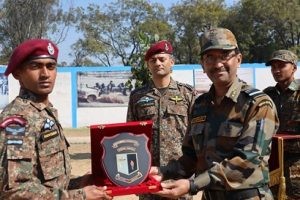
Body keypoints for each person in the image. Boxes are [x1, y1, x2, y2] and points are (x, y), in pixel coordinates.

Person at [150, 28, 279, 200]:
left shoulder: (258, 103)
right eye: (210, 58)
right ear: (203, 65)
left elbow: (247, 159)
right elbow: (191, 157)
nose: (217, 64)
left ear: (238, 59)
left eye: (224, 55)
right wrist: (162, 172)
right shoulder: (200, 105)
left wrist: (193, 184)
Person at [0, 39, 112, 200]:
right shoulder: (18, 120)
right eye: (35, 66)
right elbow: (15, 191)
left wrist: (79, 183)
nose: (45, 74)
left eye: (50, 66)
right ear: (18, 73)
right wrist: (80, 196)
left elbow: (50, 184)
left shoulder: (45, 112)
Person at [127, 40, 197, 200]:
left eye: (162, 59)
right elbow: (131, 137)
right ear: (148, 65)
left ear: (171, 62)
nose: (157, 63)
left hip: (180, 175)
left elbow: (196, 136)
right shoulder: (137, 96)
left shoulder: (187, 94)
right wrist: (133, 177)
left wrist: (194, 177)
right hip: (148, 174)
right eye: (153, 60)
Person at [263, 50, 300, 199]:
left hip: (297, 163)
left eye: (281, 65)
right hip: (272, 163)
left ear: (294, 67)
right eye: (273, 67)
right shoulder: (267, 95)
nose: (276, 70)